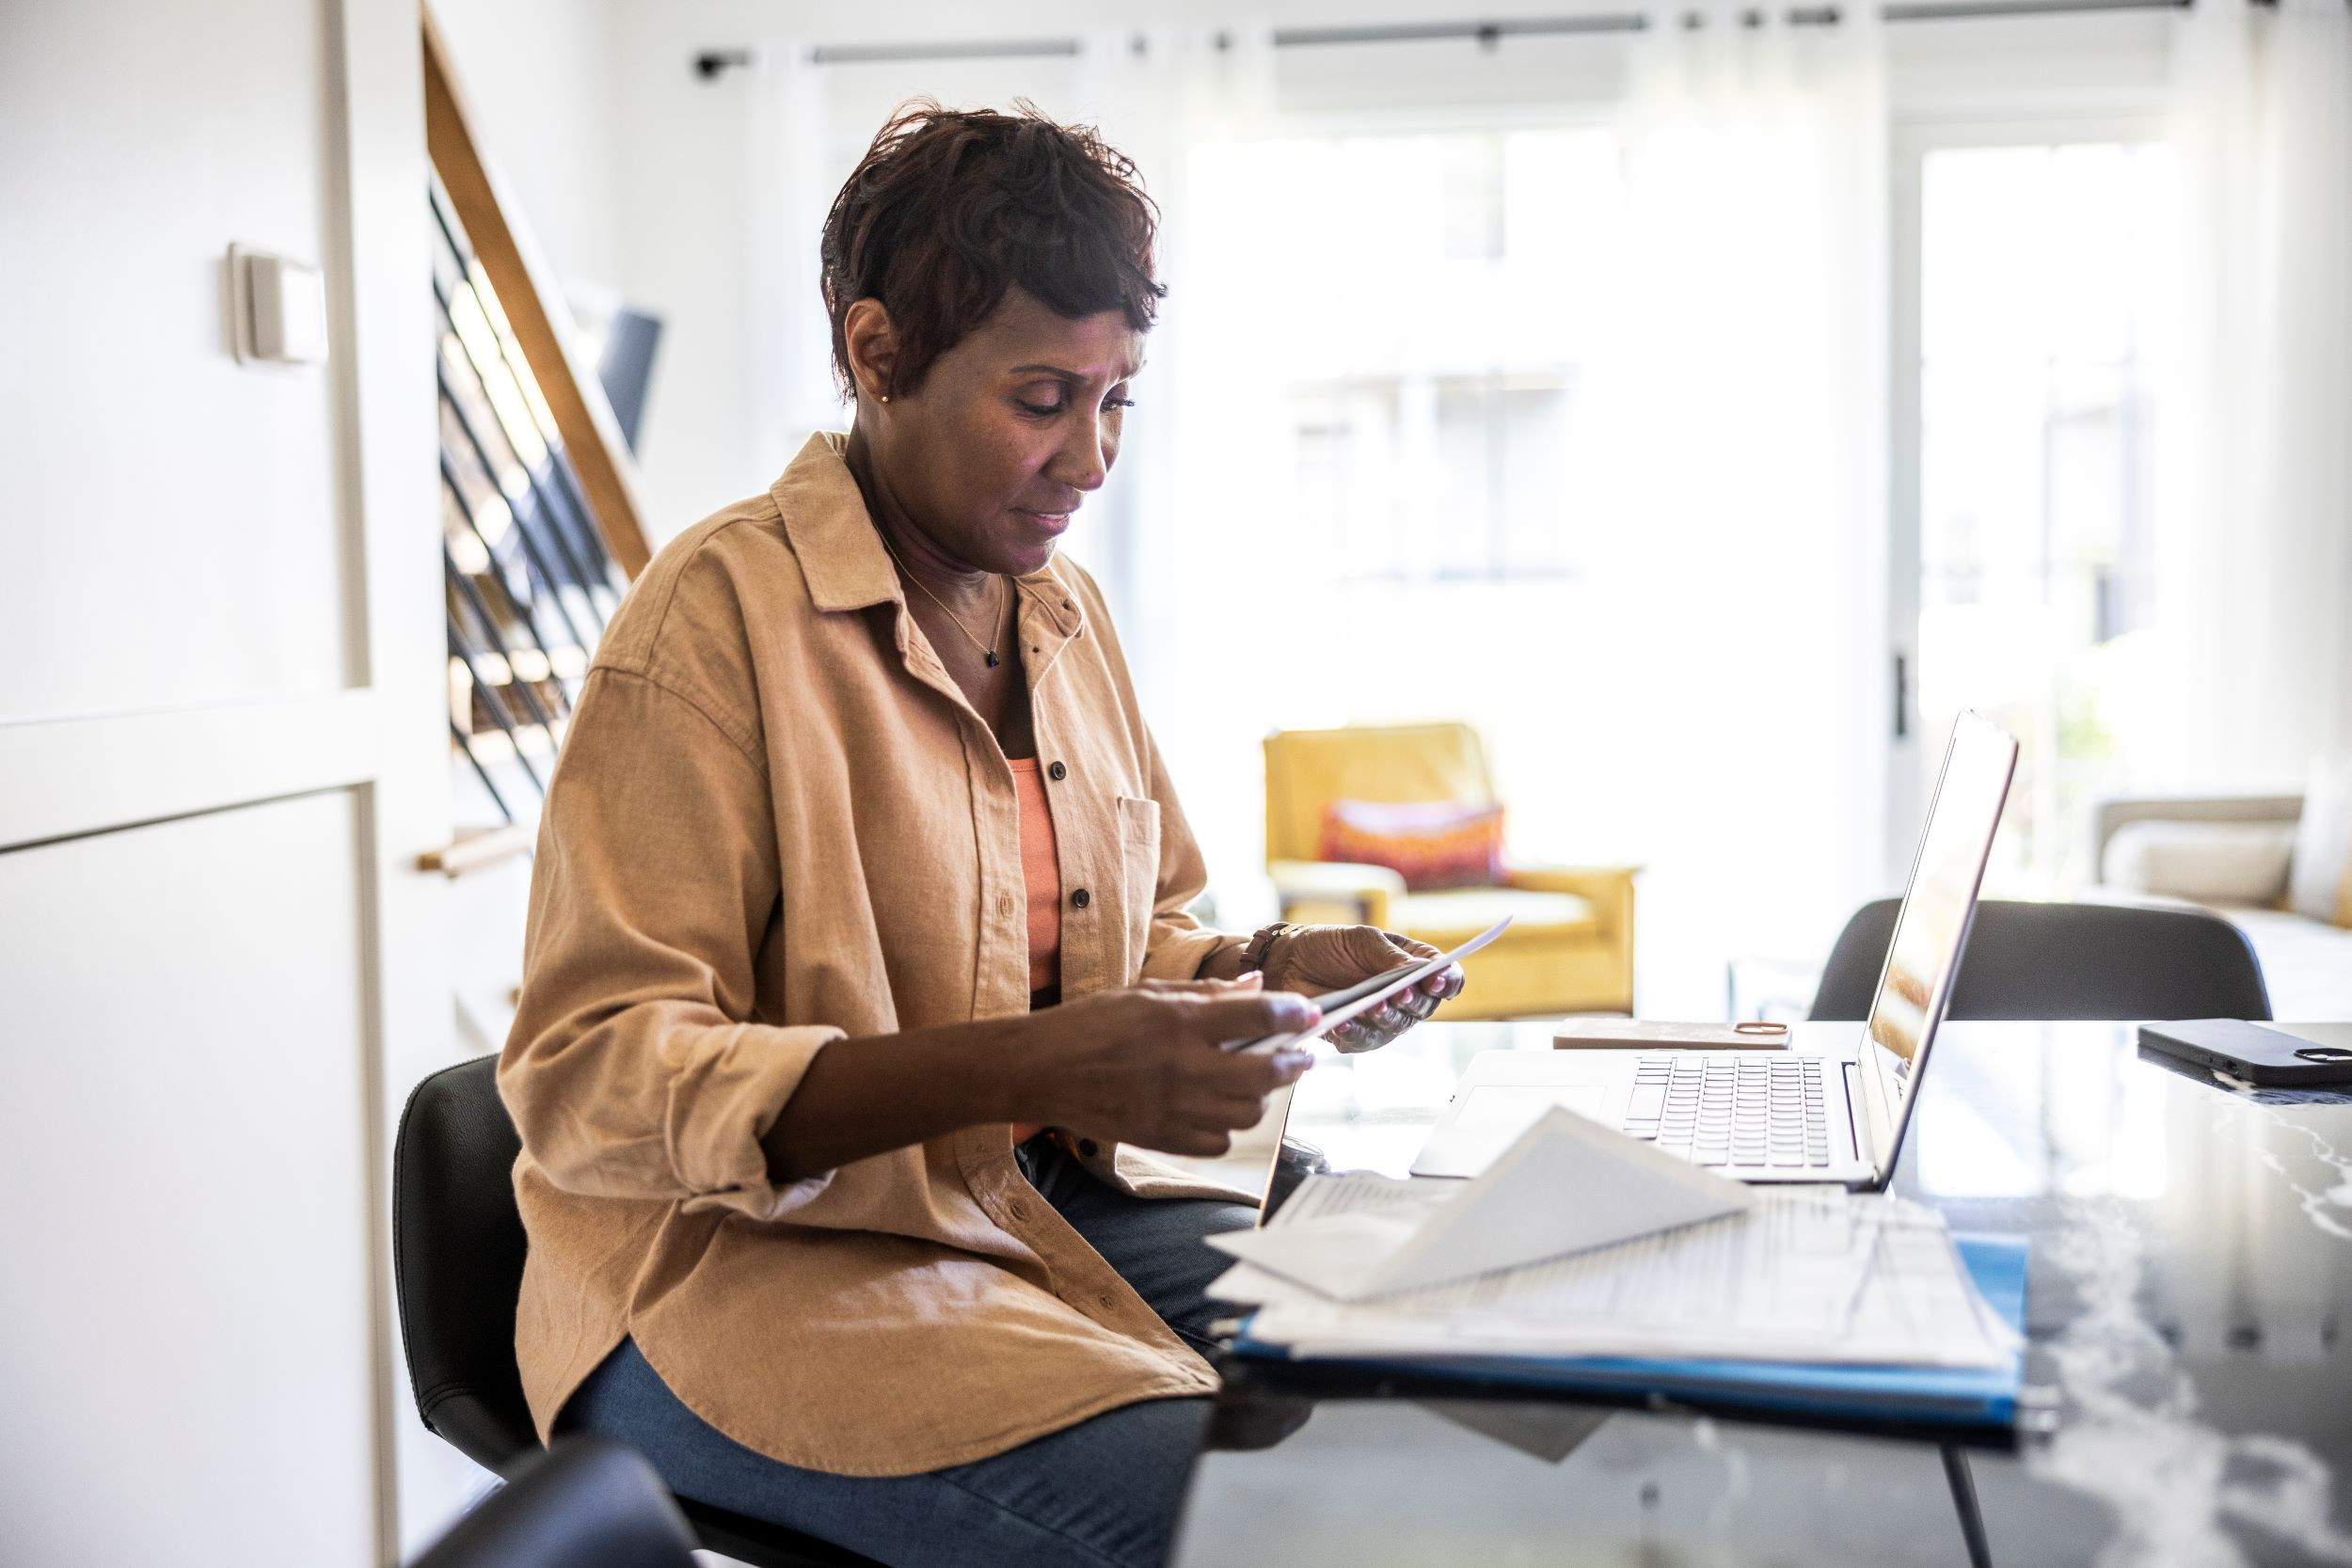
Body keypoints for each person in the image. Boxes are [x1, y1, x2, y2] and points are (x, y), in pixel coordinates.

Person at [501, 102, 1466, 1568]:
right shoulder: (709, 628)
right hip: (761, 1269)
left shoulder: (1062, 616)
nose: (1091, 458)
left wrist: (1277, 965)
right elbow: (590, 1078)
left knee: (1455, 1387)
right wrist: (1043, 1063)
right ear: (878, 356)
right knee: (1263, 1519)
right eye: (1041, 398)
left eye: (1117, 399)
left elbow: (1131, 945)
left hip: (1039, 1195)